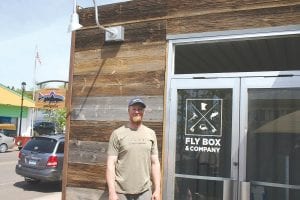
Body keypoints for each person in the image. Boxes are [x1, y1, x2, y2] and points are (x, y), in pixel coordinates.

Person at [106, 97, 161, 200]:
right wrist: (112, 192)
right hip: (121, 192)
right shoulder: (117, 134)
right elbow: (111, 164)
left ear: (143, 111)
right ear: (128, 111)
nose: (137, 112)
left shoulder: (151, 134)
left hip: (145, 191)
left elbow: (155, 163)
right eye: (134, 109)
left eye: (140, 109)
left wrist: (157, 189)